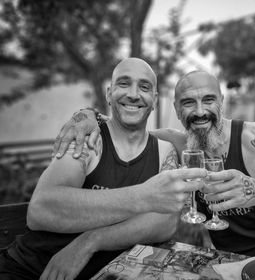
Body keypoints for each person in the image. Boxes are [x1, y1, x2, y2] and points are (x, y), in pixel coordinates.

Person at [54, 70, 255, 264]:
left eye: (208, 100)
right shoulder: (179, 144)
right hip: (230, 267)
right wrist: (86, 114)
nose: (199, 111)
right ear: (176, 109)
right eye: (187, 103)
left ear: (221, 101)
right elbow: (120, 123)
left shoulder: (254, 137)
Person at [0, 58, 207, 280]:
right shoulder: (87, 139)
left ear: (154, 100)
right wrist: (144, 196)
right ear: (109, 94)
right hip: (32, 270)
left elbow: (164, 223)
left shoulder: (164, 150)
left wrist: (90, 241)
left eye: (144, 87)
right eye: (124, 83)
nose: (134, 94)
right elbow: (41, 209)